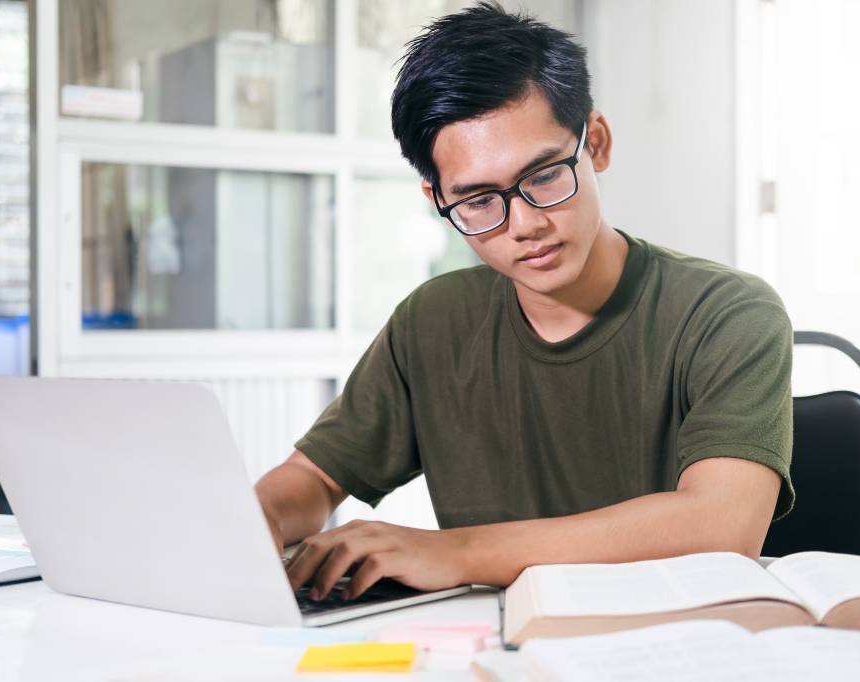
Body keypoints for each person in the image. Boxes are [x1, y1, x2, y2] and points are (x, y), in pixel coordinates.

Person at [254, 2, 794, 603]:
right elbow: (311, 478)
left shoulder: (727, 314)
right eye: (479, 200)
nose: (524, 225)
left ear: (596, 142)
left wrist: (455, 552)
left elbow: (722, 526)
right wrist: (254, 521)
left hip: (676, 638)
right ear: (438, 198)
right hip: (490, 646)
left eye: (543, 177)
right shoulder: (434, 322)